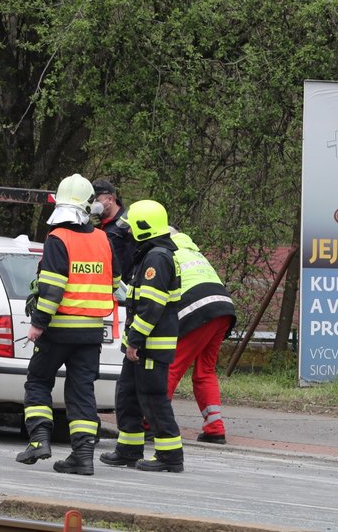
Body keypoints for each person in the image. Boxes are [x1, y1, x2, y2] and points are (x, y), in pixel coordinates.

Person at [15, 174, 119, 476]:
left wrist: (38, 323)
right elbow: (114, 281)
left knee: (38, 381)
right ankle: (83, 455)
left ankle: (39, 440)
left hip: (59, 329)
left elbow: (51, 287)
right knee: (81, 390)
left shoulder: (58, 239)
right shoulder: (103, 239)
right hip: (91, 331)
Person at [101, 199, 185, 472]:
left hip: (149, 345)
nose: (127, 232)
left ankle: (169, 456)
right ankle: (128, 450)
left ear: (144, 228)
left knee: (152, 398)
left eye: (131, 227)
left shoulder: (156, 259)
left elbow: (151, 307)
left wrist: (135, 341)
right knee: (127, 397)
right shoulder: (151, 255)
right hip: (139, 344)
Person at [167, 228, 236, 444]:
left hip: (197, 308)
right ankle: (215, 427)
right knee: (205, 371)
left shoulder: (164, 251)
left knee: (171, 367)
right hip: (223, 309)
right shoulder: (191, 249)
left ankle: (152, 423)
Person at [92, 178, 134, 282]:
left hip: (121, 285)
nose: (94, 205)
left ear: (110, 199)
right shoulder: (96, 223)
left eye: (97, 201)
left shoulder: (127, 224)